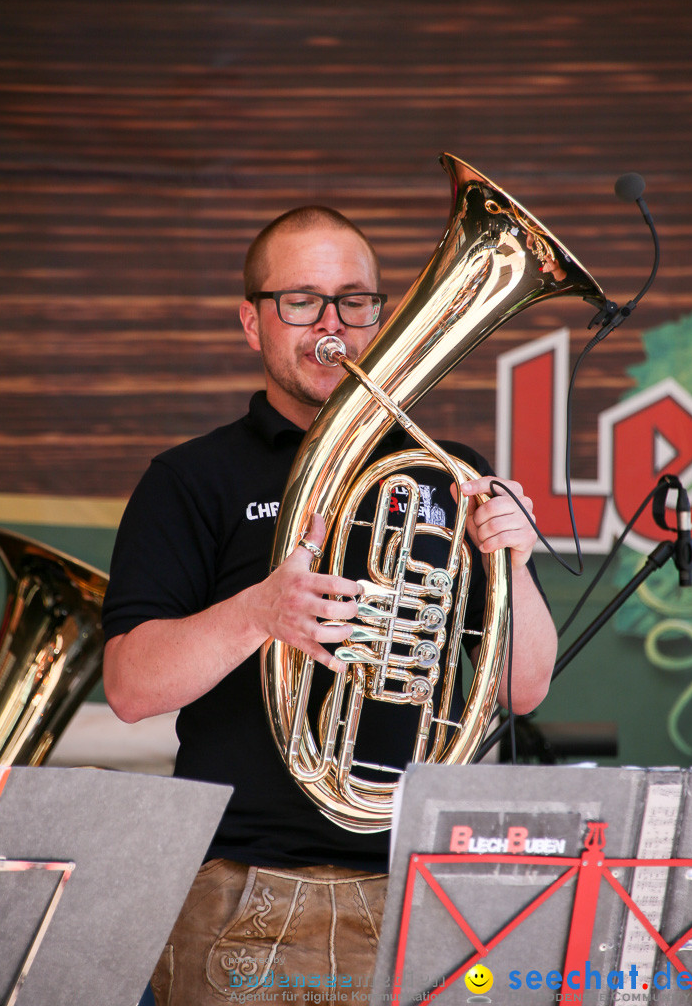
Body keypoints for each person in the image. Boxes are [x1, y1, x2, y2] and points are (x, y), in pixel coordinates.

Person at [102, 206, 558, 1005]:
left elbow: (522, 690)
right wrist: (258, 614)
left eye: (355, 299)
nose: (333, 325)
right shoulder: (190, 478)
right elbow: (131, 688)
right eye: (302, 301)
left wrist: (511, 561)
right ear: (253, 322)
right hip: (244, 889)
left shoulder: (447, 471)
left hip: (419, 887)